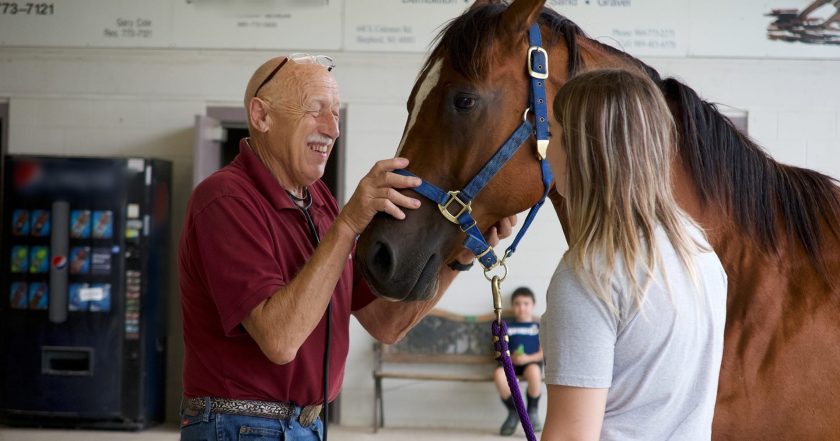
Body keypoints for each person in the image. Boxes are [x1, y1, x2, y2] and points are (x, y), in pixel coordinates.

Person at [177, 53, 516, 441]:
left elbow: (385, 323)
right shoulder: (224, 199)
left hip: (304, 425)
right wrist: (349, 224)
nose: (333, 129)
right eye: (316, 110)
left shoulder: (319, 202)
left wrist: (461, 256)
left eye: (335, 113)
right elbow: (280, 339)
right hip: (240, 426)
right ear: (261, 115)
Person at [539, 69, 728, 441]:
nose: (546, 149)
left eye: (555, 134)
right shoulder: (699, 250)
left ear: (582, 150)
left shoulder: (589, 276)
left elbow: (571, 435)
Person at [494, 286, 544, 436]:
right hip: (510, 364)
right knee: (498, 374)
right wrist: (511, 358)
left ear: (533, 305)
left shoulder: (538, 327)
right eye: (517, 303)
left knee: (535, 372)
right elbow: (500, 349)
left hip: (531, 363)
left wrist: (527, 358)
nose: (521, 307)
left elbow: (542, 353)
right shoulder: (506, 326)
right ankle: (514, 411)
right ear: (512, 306)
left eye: (526, 303)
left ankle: (533, 410)